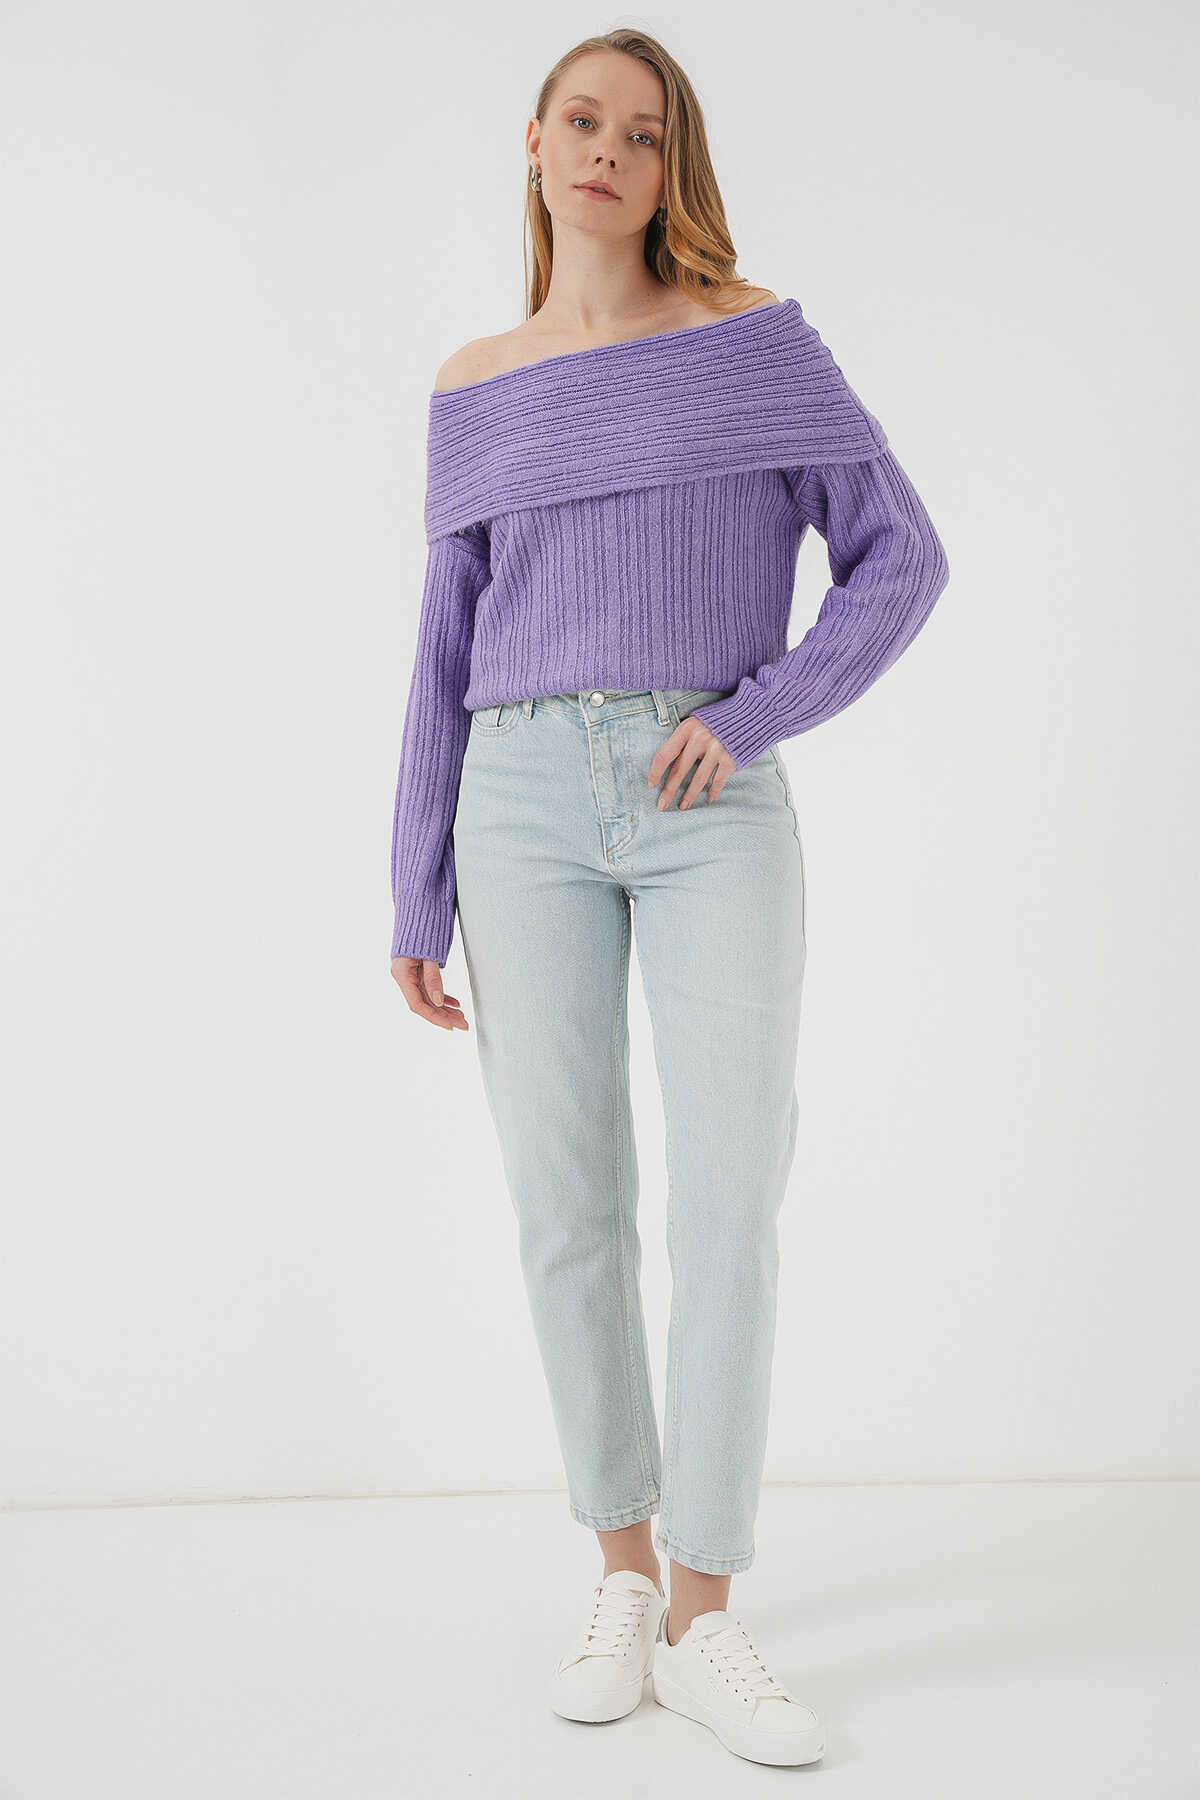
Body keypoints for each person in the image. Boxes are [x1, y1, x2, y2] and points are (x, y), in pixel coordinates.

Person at [387, 28, 949, 1769]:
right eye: (584, 121)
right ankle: (621, 1572)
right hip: (517, 803)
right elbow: (444, 647)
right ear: (534, 142)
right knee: (566, 1207)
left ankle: (707, 1612)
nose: (609, 154)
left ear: (673, 162)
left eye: (644, 133)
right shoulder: (476, 383)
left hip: (710, 798)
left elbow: (901, 559)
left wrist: (757, 712)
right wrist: (414, 883)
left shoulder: (755, 345)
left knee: (727, 1207)